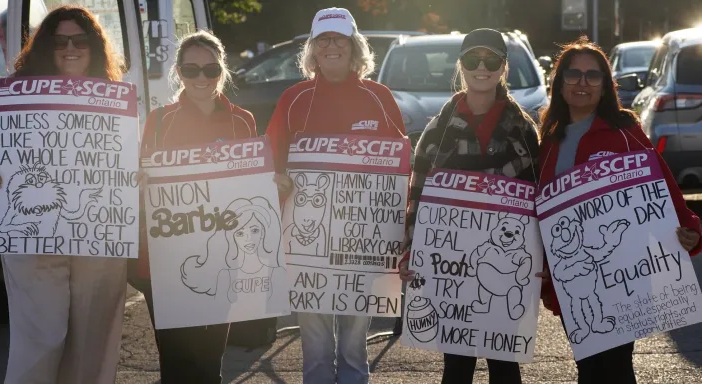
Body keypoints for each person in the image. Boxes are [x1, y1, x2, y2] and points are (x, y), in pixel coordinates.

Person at [0, 6, 126, 383]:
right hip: (31, 237)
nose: (70, 48)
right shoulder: (15, 91)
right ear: (44, 46)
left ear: (95, 46)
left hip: (98, 238)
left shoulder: (116, 96)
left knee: (93, 346)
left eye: (80, 40)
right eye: (59, 41)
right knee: (40, 342)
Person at [536, 36, 702, 384]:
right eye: (574, 74)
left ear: (605, 85)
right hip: (575, 282)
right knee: (588, 369)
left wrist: (690, 228)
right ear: (560, 81)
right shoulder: (548, 140)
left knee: (614, 369)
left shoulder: (625, 131)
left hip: (622, 279)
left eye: (592, 75)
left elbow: (661, 189)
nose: (582, 83)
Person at [266, 7, 406, 384]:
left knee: (354, 343)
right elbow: (270, 159)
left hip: (361, 245)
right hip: (306, 242)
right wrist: (277, 179)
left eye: (339, 39)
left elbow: (399, 167)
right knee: (313, 345)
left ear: (354, 45)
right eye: (323, 39)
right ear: (312, 49)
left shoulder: (379, 97)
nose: (332, 46)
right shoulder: (293, 98)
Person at [398, 28, 539, 384]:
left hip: (507, 270)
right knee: (456, 368)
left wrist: (540, 258)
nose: (482, 67)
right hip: (453, 272)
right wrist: (410, 250)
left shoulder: (523, 129)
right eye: (472, 59)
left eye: (491, 60)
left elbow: (538, 197)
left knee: (505, 367)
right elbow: (418, 194)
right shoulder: (437, 130)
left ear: (504, 68)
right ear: (460, 66)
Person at [131, 30, 256, 384]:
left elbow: (250, 188)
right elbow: (142, 178)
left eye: (210, 69)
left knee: (209, 360)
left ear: (222, 71)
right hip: (165, 259)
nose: (201, 78)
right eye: (191, 69)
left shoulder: (242, 120)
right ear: (179, 72)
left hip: (222, 259)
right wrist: (142, 179)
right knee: (176, 362)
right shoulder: (159, 120)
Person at [180, 196, 288, 307]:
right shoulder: (225, 276)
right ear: (232, 238)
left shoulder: (278, 273)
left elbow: (277, 308)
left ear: (263, 233)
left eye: (255, 230)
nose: (248, 238)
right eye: (240, 233)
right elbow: (219, 312)